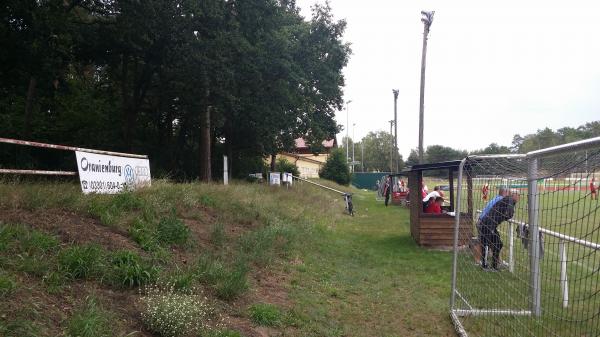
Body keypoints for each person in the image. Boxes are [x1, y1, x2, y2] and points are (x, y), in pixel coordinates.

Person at [479, 191, 519, 271]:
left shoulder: (508, 200)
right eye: (518, 195)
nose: (519, 198)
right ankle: (485, 265)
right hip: (488, 224)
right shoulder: (509, 200)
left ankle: (494, 266)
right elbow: (509, 214)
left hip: (490, 224)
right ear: (514, 195)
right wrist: (506, 217)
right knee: (486, 244)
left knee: (498, 244)